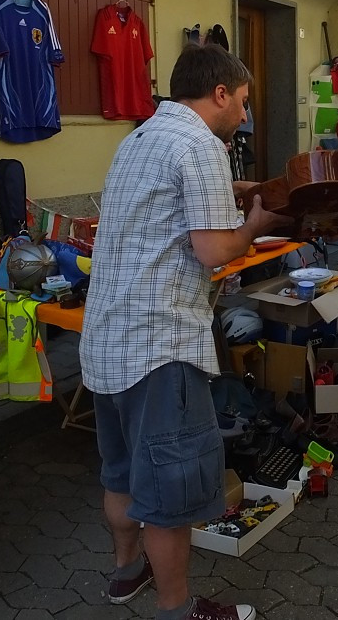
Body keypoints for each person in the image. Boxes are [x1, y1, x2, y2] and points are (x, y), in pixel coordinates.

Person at [80, 43, 289, 620]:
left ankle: (126, 575)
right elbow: (213, 249)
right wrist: (256, 224)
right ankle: (178, 609)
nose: (245, 116)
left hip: (107, 340)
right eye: (243, 102)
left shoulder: (141, 137)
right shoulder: (201, 144)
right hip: (160, 345)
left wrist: (237, 193)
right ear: (219, 93)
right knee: (169, 494)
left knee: (121, 473)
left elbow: (164, 212)